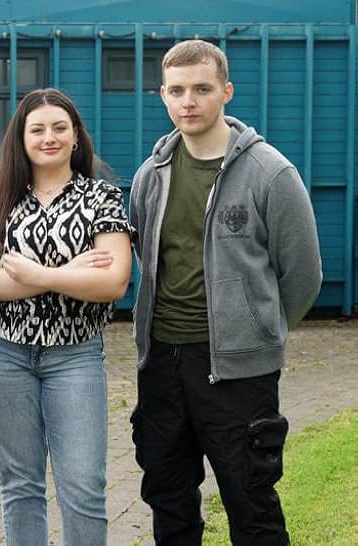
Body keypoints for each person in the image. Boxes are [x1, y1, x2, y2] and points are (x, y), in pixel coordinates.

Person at [129, 40, 322, 545]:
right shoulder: (151, 176)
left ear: (226, 92)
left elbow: (302, 275)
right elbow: (148, 259)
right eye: (176, 90)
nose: (188, 101)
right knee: (168, 498)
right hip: (162, 364)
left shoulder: (270, 173)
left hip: (239, 373)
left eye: (201, 88)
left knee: (250, 499)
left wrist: (260, 329)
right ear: (163, 96)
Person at [0, 87, 133, 546]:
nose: (49, 137)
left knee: (83, 487)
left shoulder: (100, 197)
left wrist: (32, 272)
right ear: (20, 139)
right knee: (20, 485)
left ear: (76, 137)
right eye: (36, 129)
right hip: (3, 354)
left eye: (59, 128)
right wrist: (67, 274)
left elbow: (113, 282)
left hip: (75, 357)